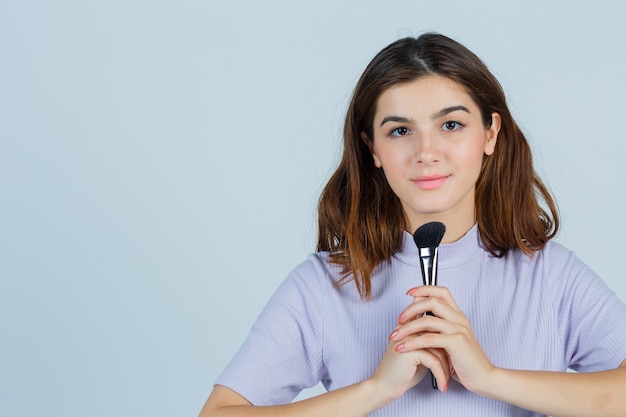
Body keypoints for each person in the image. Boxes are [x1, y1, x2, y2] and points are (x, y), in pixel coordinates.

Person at [199, 33, 626, 417]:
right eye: (401, 130)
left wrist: (488, 378)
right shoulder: (323, 286)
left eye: (451, 125)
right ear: (373, 149)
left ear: (490, 134)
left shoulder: (550, 275)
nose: (427, 152)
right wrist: (375, 390)